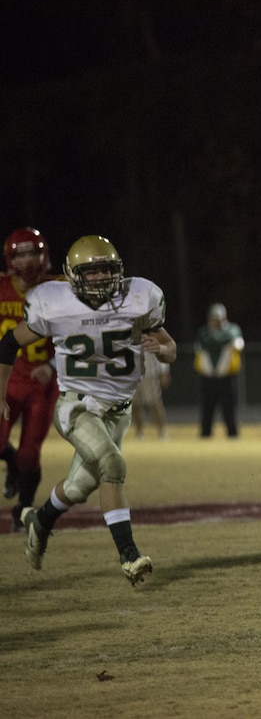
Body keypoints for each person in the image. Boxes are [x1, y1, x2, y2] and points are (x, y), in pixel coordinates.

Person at [0, 235, 176, 585]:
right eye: (91, 273)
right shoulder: (55, 303)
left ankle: (41, 520)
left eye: (107, 272)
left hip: (118, 412)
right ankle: (129, 555)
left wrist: (161, 348)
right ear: (72, 275)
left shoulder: (138, 299)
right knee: (113, 464)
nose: (100, 280)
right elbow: (8, 343)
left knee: (80, 486)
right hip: (76, 406)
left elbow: (170, 348)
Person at [0, 227, 61, 531]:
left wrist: (52, 362)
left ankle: (23, 508)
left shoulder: (58, 289)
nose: (26, 261)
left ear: (43, 255)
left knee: (29, 452)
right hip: (7, 378)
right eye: (20, 254)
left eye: (31, 253)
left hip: (43, 382)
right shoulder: (1, 288)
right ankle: (10, 466)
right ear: (10, 258)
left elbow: (77, 333)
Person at [194, 302, 245, 438]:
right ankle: (205, 434)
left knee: (229, 408)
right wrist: (223, 342)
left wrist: (220, 342)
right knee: (207, 408)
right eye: (214, 318)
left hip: (226, 376)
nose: (217, 321)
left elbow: (238, 344)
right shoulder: (204, 332)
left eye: (219, 318)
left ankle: (233, 434)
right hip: (208, 376)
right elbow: (201, 346)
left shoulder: (231, 329)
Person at [131, 351, 170, 440]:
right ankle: (139, 431)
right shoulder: (126, 337)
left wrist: (164, 371)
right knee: (135, 404)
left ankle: (162, 430)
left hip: (149, 374)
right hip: (132, 375)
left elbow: (160, 352)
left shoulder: (151, 337)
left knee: (154, 403)